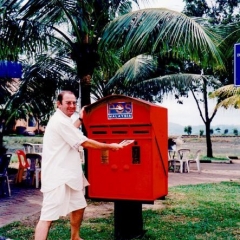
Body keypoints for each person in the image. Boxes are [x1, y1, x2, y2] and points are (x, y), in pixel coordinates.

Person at [35, 91, 124, 240]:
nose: (72, 106)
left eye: (74, 103)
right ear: (58, 104)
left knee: (79, 206)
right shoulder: (59, 121)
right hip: (58, 177)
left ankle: (75, 237)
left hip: (69, 175)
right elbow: (84, 142)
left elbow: (72, 131)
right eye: (68, 103)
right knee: (47, 216)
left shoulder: (64, 121)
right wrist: (110, 146)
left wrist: (81, 119)